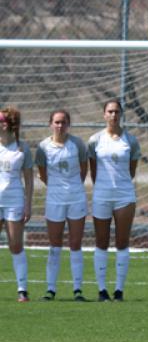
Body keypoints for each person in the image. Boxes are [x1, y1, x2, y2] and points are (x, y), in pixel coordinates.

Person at [88, 99, 141, 302]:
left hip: (124, 196)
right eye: (109, 111)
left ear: (121, 114)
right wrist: (103, 186)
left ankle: (119, 290)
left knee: (122, 242)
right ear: (104, 114)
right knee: (101, 242)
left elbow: (132, 170)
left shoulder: (131, 140)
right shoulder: (95, 140)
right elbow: (93, 171)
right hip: (101, 195)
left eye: (117, 111)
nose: (113, 115)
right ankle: (102, 290)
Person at [36, 110, 88, 301]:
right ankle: (50, 289)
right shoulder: (43, 147)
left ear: (68, 124)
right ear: (50, 124)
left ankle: (77, 290)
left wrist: (72, 187)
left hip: (76, 198)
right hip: (54, 200)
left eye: (64, 122)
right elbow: (42, 174)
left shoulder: (78, 144)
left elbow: (84, 170)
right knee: (54, 244)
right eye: (57, 122)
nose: (60, 126)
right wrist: (57, 187)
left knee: (75, 244)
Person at [0, 106, 34, 302]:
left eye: (2, 120)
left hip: (14, 201)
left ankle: (22, 289)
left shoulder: (22, 148)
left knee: (15, 245)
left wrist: (28, 205)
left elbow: (29, 180)